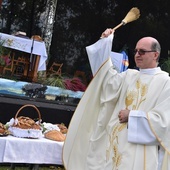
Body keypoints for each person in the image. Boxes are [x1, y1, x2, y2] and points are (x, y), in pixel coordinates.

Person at [63, 29, 170, 170]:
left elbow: (163, 122)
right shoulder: (129, 76)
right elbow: (105, 80)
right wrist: (104, 43)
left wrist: (131, 116)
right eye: (136, 51)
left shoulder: (165, 82)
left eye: (142, 52)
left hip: (139, 150)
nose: (137, 55)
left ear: (155, 55)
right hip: (113, 143)